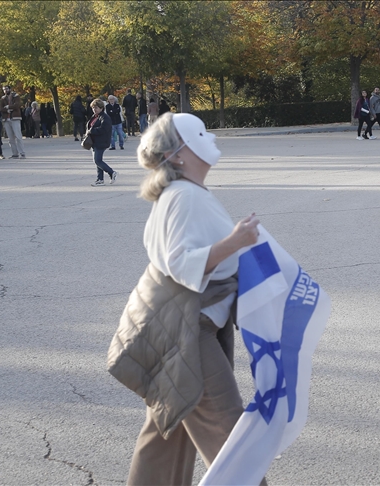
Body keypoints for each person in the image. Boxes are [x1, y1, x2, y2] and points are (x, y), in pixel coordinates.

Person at [119, 112, 265, 485]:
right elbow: (181, 264)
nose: (210, 136)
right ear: (179, 154)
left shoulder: (184, 192)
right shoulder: (183, 197)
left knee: (169, 429)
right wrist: (235, 242)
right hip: (185, 331)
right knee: (228, 430)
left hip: (176, 325)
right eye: (199, 132)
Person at [85, 99, 118, 187]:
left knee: (97, 160)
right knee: (97, 161)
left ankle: (112, 172)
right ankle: (100, 179)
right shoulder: (95, 116)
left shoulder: (105, 117)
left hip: (101, 141)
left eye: (96, 108)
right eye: (93, 108)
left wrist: (92, 131)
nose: (94, 109)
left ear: (101, 108)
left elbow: (103, 129)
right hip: (94, 141)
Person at [1, 86, 25, 159]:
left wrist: (8, 107)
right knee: (10, 138)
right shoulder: (2, 98)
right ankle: (15, 154)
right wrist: (7, 110)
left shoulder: (16, 96)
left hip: (15, 118)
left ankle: (22, 153)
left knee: (18, 136)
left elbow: (17, 105)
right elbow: (0, 108)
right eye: (4, 90)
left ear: (10, 89)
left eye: (6, 89)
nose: (5, 91)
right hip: (6, 119)